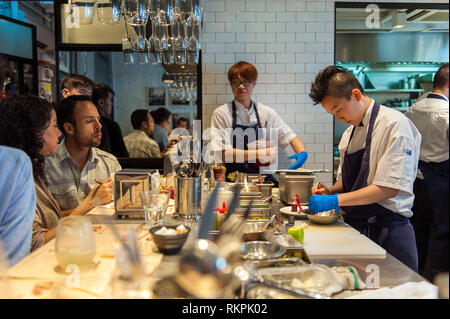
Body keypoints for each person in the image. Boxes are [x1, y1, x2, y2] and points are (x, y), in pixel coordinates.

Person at [308, 65, 421, 272]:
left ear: (356, 94)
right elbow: (348, 182)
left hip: (389, 232)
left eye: (338, 110)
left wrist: (334, 201)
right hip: (358, 231)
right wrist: (331, 191)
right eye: (332, 114)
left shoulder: (394, 125)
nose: (338, 118)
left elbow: (388, 188)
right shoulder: (348, 135)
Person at [0, 95, 113, 251]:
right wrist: (90, 203)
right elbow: (35, 243)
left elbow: (52, 219)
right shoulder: (18, 171)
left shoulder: (32, 168)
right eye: (54, 126)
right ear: (34, 131)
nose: (59, 134)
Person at [211, 61, 307, 179]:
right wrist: (260, 154)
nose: (241, 86)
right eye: (236, 82)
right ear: (231, 85)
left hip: (264, 181)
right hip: (234, 181)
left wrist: (302, 153)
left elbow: (290, 137)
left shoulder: (266, 113)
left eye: (245, 82)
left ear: (254, 83)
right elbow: (224, 153)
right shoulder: (221, 113)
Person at [404, 64, 449, 280]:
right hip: (439, 182)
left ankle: (416, 278)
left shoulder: (415, 108)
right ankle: (433, 284)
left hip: (416, 180)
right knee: (440, 233)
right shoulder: (446, 112)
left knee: (418, 230)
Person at [45, 95, 121, 211]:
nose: (99, 126)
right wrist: (92, 202)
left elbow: (122, 207)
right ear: (69, 128)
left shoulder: (109, 163)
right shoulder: (46, 165)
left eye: (98, 119)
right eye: (90, 121)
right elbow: (47, 219)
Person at [0, 145, 35, 266]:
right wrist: (87, 204)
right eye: (54, 126)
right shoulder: (13, 162)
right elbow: (13, 258)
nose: (59, 133)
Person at [92, 82, 129, 158]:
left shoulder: (83, 123)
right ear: (101, 103)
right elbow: (124, 156)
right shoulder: (111, 125)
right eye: (110, 100)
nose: (112, 104)